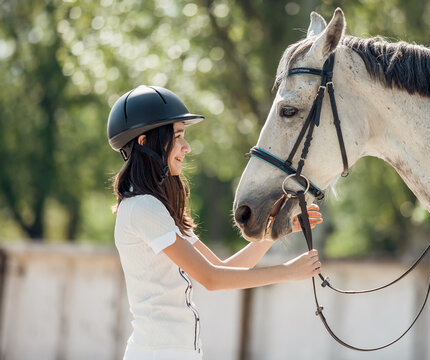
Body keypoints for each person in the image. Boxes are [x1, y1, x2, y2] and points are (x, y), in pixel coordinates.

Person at [107, 85, 322, 360]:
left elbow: (223, 268)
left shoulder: (155, 208)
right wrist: (287, 272)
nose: (187, 147)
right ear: (144, 141)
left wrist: (272, 233)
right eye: (178, 136)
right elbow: (211, 279)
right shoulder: (143, 208)